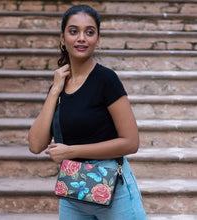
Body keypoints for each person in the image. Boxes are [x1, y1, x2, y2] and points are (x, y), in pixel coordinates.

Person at [28, 5, 147, 220]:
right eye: (73, 31)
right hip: (73, 191)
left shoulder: (106, 80)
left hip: (113, 188)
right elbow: (36, 145)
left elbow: (131, 142)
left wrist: (70, 151)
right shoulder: (59, 86)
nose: (81, 38)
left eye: (89, 32)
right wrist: (55, 90)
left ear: (97, 39)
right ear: (63, 38)